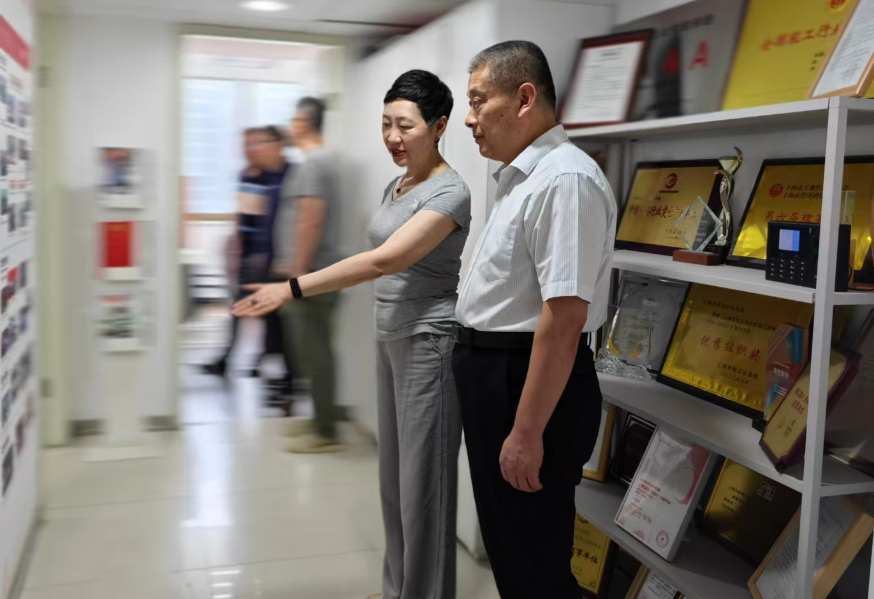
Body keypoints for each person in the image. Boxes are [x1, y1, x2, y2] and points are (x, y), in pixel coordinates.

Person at [236, 70, 469, 599]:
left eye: (405, 125)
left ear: (439, 126)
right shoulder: (398, 184)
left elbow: (384, 260)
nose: (392, 136)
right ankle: (397, 588)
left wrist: (291, 287)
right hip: (390, 336)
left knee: (423, 487)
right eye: (386, 124)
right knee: (394, 482)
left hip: (429, 343)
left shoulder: (452, 192)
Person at [454, 41, 617, 599]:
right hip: (499, 377)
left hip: (524, 385)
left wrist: (525, 433)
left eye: (479, 100)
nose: (470, 118)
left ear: (524, 98)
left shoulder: (564, 179)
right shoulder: (523, 177)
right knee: (514, 549)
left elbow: (564, 319)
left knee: (535, 565)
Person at [249, 97, 346, 451]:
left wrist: (296, 278)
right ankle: (319, 419)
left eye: (293, 120)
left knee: (315, 352)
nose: (290, 126)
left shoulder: (314, 165)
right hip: (312, 274)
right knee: (311, 351)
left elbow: (310, 219)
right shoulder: (317, 163)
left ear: (303, 123)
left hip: (311, 276)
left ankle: (325, 432)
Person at [204, 127, 292, 381]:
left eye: (255, 144)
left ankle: (262, 360)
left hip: (269, 255)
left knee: (267, 311)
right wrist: (236, 249)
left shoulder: (280, 175)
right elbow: (244, 216)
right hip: (250, 254)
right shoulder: (247, 175)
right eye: (246, 145)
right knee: (243, 306)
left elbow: (274, 219)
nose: (250, 150)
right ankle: (234, 358)